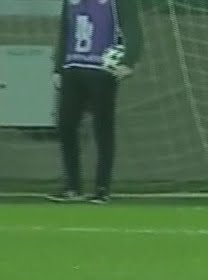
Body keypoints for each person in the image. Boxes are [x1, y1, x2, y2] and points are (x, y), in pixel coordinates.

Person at [47, 0, 144, 204]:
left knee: (103, 128)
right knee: (66, 125)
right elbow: (66, 29)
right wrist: (58, 66)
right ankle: (72, 186)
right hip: (73, 67)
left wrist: (129, 60)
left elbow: (132, 27)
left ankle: (102, 188)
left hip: (102, 69)